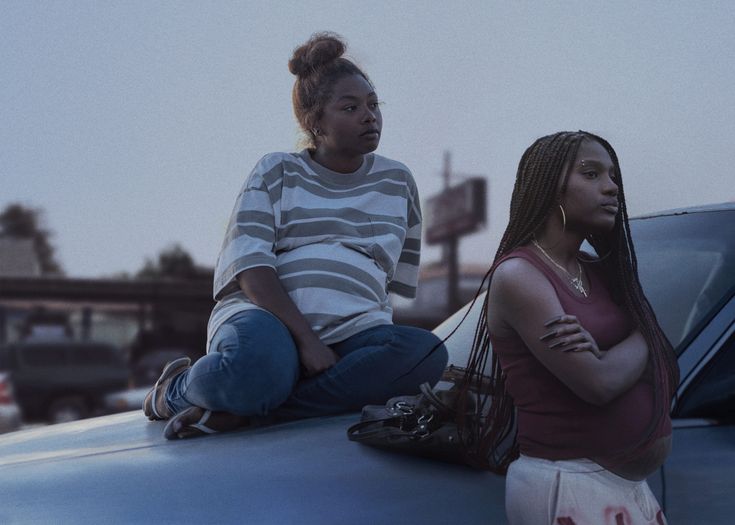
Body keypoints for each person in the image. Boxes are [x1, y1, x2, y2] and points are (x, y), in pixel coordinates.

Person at [142, 32, 447, 439]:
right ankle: (175, 391)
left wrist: (357, 352)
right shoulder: (276, 171)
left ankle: (258, 413)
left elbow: (383, 284)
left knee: (424, 352)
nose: (369, 116)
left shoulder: (397, 182)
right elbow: (250, 267)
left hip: (354, 331)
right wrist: (307, 340)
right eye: (350, 107)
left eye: (374, 105)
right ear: (314, 122)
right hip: (267, 319)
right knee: (257, 369)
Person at [456, 131, 679, 524]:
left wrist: (617, 350)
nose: (612, 188)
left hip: (629, 491)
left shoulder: (597, 270)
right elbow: (599, 384)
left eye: (613, 176)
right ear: (548, 188)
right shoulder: (520, 275)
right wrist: (645, 335)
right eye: (591, 174)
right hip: (571, 486)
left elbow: (626, 360)